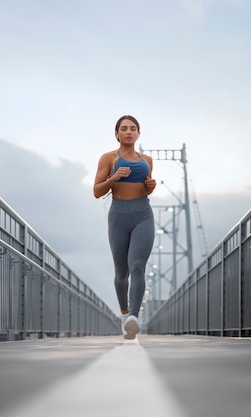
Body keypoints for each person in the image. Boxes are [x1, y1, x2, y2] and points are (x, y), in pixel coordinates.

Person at [93, 115, 157, 340]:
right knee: (122, 273)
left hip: (143, 216)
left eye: (133, 129)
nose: (129, 132)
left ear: (139, 133)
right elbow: (97, 191)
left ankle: (133, 318)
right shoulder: (108, 158)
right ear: (117, 134)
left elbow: (146, 187)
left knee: (138, 266)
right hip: (118, 217)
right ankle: (124, 314)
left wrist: (151, 186)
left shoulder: (147, 160)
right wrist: (113, 177)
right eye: (124, 129)